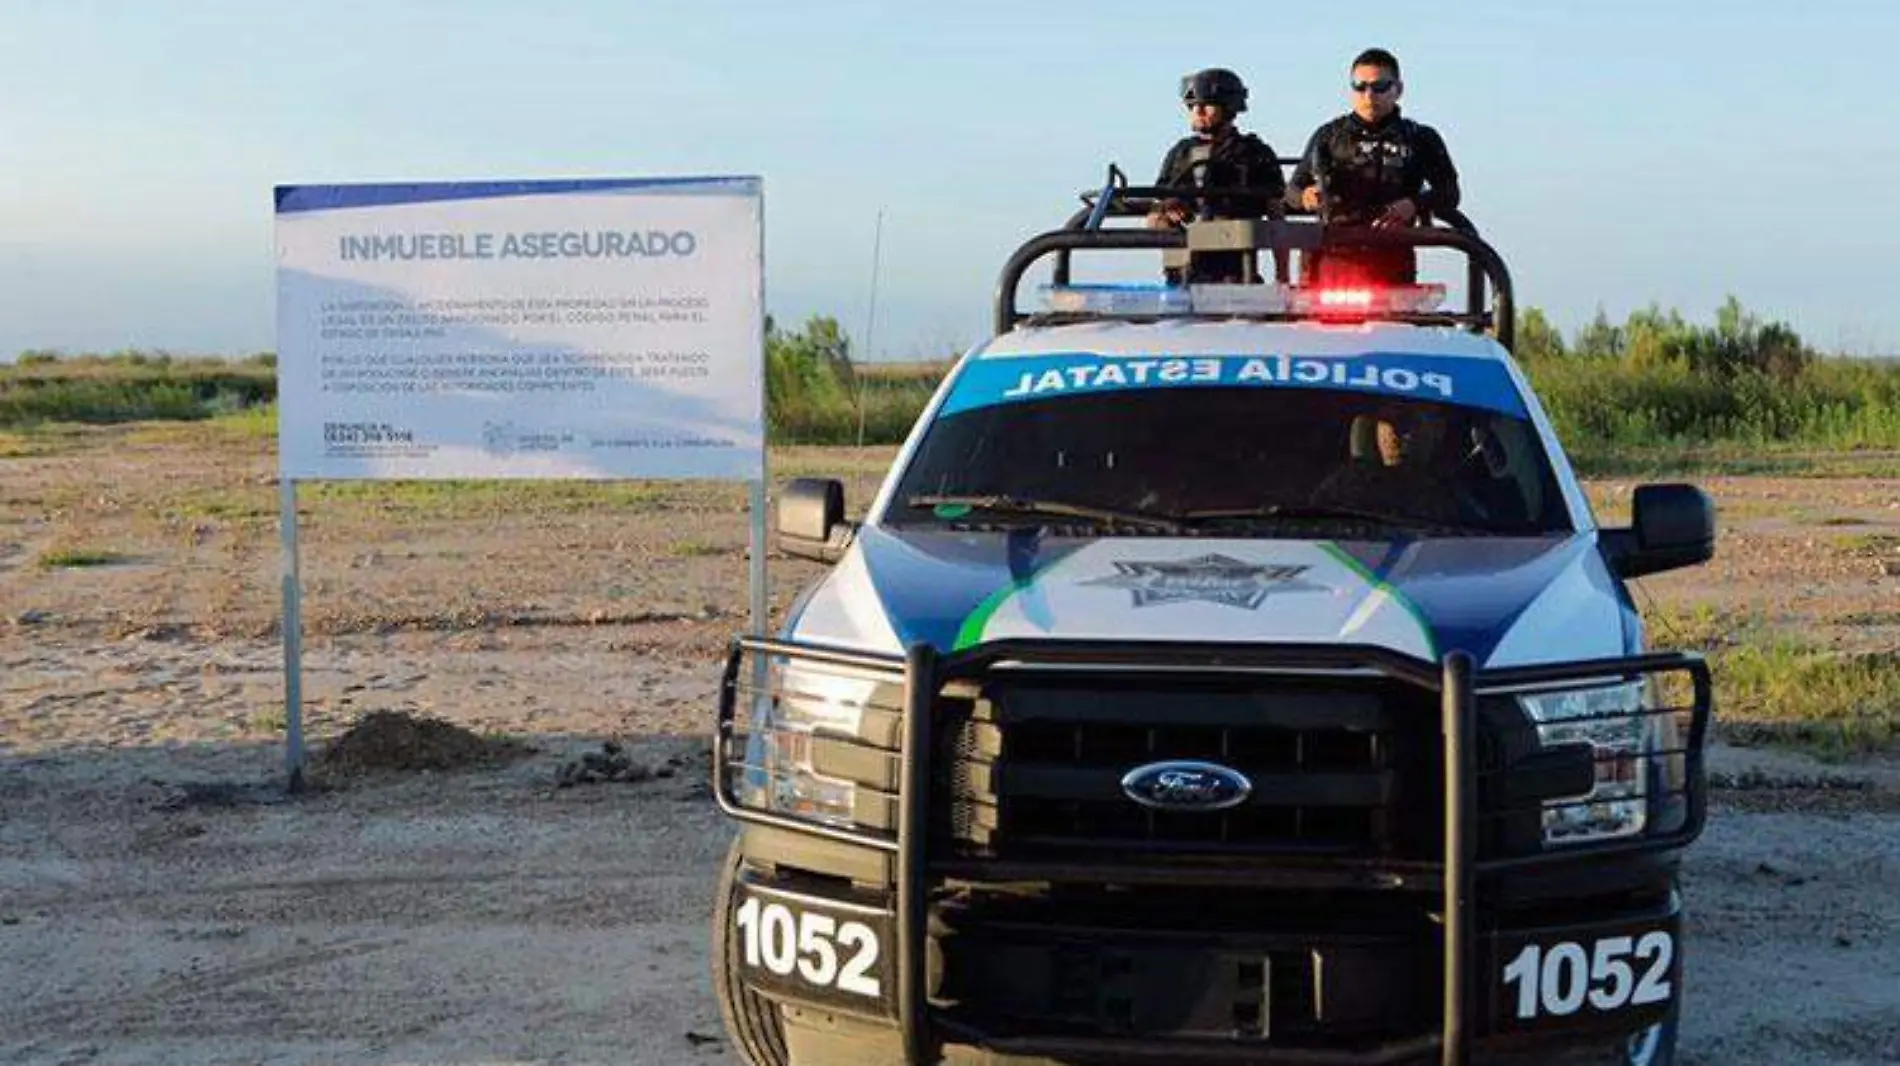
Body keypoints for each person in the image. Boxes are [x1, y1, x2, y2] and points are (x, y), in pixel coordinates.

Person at [1285, 48, 1461, 284]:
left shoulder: (1419, 137)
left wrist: (1414, 204)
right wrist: (1306, 196)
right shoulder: (1328, 136)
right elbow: (1292, 191)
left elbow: (1449, 192)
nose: (1369, 95)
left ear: (1398, 90)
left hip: (1393, 257)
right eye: (1360, 86)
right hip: (1334, 258)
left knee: (1393, 320)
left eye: (1379, 87)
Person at [1147, 68, 1285, 282]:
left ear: (1229, 108)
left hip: (1237, 274)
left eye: (1207, 104)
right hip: (1183, 276)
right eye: (1192, 106)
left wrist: (1282, 275)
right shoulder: (1180, 153)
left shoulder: (1253, 153)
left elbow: (1276, 216)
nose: (1198, 111)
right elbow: (1156, 210)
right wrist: (1167, 209)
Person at [1309, 403, 1464, 525]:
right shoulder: (1344, 487)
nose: (1396, 433)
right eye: (1389, 422)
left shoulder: (1453, 494)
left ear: (1437, 430)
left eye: (1411, 423)